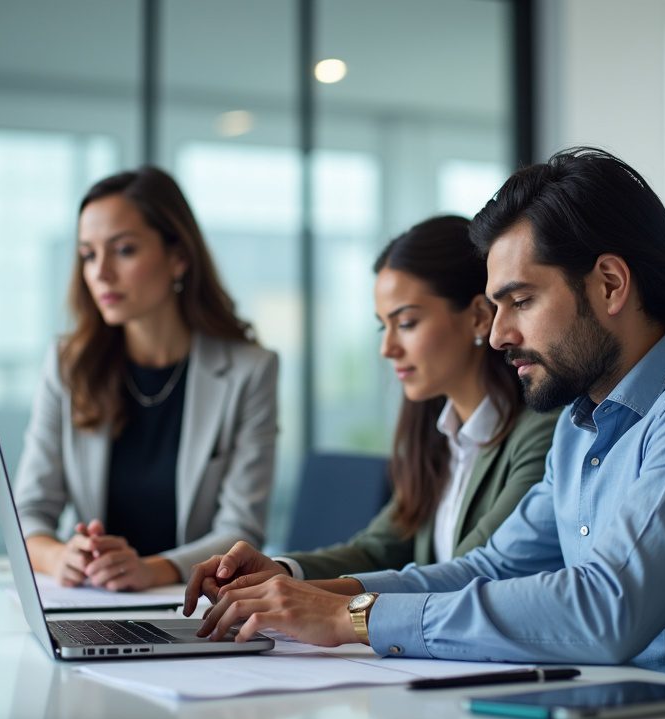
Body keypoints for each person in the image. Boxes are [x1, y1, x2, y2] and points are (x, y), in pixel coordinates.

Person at [186, 148, 665, 701]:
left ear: (610, 284)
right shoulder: (583, 424)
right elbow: (488, 568)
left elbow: (605, 609)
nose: (498, 334)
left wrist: (351, 618)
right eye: (497, 307)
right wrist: (295, 591)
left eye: (520, 301)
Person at [194, 215, 556, 599]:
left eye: (408, 323)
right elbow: (377, 548)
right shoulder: (437, 437)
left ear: (480, 318)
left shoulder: (541, 434)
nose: (388, 349)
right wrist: (281, 571)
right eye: (384, 327)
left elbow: (469, 572)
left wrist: (303, 597)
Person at [15, 166, 278, 590]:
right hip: (90, 599)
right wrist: (58, 555)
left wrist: (152, 569)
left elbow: (241, 529)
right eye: (88, 255)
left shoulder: (250, 370)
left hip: (191, 604)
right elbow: (28, 512)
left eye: (123, 250)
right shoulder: (68, 365)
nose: (100, 273)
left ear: (178, 258)